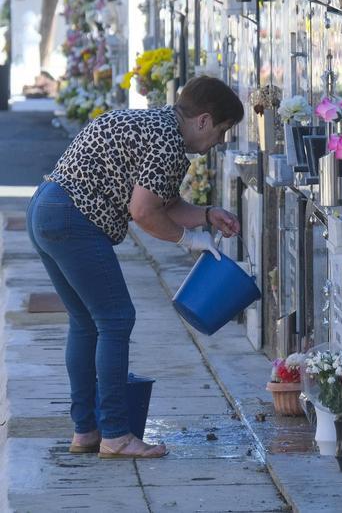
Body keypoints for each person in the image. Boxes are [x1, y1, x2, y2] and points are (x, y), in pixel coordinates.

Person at [27, 76, 244, 459]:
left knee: (86, 322)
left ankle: (87, 431)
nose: (219, 144)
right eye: (223, 131)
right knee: (115, 319)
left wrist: (207, 215)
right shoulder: (168, 143)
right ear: (204, 120)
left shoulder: (157, 125)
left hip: (47, 208)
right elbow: (143, 212)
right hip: (74, 219)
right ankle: (115, 434)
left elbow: (163, 201)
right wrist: (187, 240)